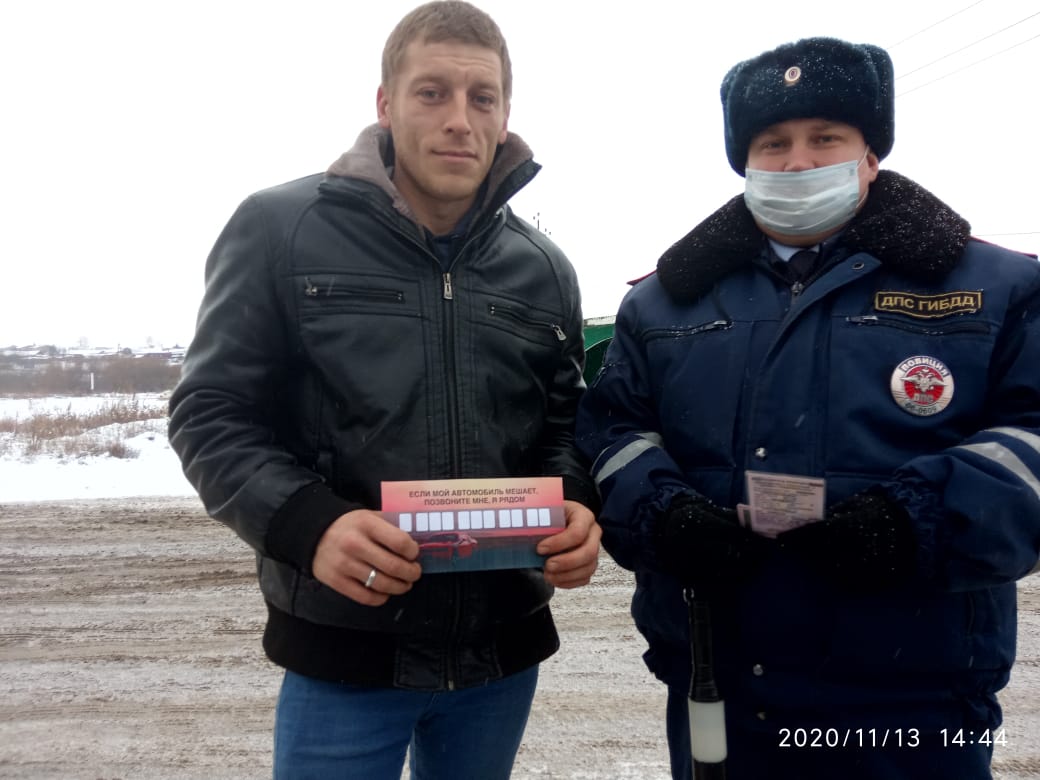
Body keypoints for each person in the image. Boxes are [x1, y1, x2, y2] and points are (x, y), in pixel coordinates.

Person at [576, 35, 1040, 780]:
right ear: (745, 161)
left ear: (870, 155)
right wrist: (661, 515)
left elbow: (1031, 439)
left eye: (825, 137)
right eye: (774, 143)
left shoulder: (999, 287)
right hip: (718, 683)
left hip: (916, 695)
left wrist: (917, 521)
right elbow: (611, 432)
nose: (797, 162)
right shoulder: (662, 302)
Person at [167, 3, 601, 777]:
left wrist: (573, 504)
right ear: (385, 104)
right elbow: (211, 413)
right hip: (345, 647)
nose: (459, 119)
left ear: (504, 115)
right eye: (432, 93)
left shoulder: (543, 268)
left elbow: (562, 424)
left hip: (500, 659)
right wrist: (312, 526)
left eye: (482, 97)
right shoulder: (279, 228)